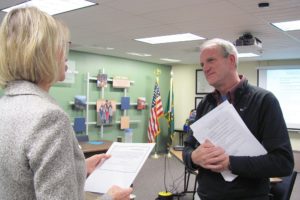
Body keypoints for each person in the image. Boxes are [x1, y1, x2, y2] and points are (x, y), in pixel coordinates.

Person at [0, 7, 132, 200]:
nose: (66, 53)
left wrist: (78, 168)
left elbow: (19, 176)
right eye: (61, 45)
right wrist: (109, 198)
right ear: (43, 53)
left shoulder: (6, 105)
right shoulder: (48, 117)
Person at [182, 38, 294, 200]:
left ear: (232, 60)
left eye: (211, 60)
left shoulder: (264, 101)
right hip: (205, 195)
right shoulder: (205, 104)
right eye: (202, 64)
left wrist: (230, 163)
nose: (205, 68)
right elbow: (188, 147)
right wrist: (193, 157)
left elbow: (283, 163)